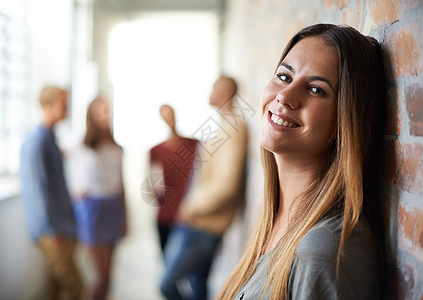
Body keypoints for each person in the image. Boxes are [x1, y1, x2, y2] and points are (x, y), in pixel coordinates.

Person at [218, 24, 387, 300]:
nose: (285, 96)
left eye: (317, 90)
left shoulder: (325, 249)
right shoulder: (276, 218)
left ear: (346, 119)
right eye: (284, 76)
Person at [160, 76, 249, 300]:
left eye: (214, 87)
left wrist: (191, 207)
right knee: (198, 286)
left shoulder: (234, 127)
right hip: (201, 222)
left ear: (227, 91)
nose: (210, 91)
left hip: (203, 224)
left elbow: (226, 184)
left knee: (167, 285)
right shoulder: (222, 124)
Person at [20, 86, 82, 300]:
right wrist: (50, 230)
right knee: (76, 287)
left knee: (53, 289)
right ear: (47, 105)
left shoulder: (51, 139)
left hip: (62, 227)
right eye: (63, 103)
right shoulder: (37, 142)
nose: (67, 108)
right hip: (52, 231)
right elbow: (38, 190)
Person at [66, 96, 126, 300]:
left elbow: (121, 184)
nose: (104, 115)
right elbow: (71, 181)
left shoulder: (116, 147)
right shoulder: (80, 146)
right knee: (99, 277)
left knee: (108, 277)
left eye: (107, 110)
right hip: (91, 209)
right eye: (99, 110)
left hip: (112, 207)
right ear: (90, 115)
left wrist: (125, 216)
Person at [149, 104, 198, 253]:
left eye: (170, 114)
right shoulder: (156, 151)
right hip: (165, 216)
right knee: (168, 266)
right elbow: (155, 187)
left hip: (189, 216)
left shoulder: (194, 145)